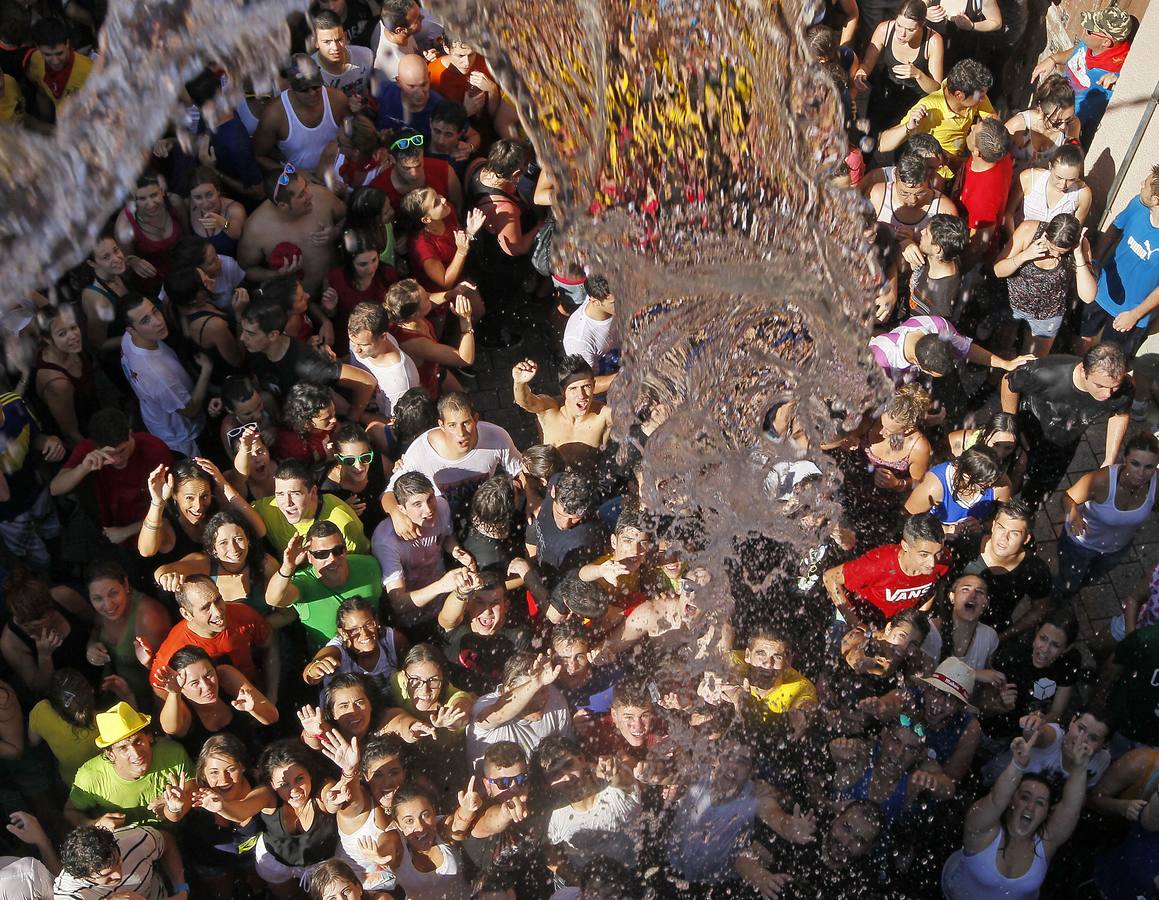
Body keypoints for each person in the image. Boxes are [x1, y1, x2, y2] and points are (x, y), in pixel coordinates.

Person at [941, 733, 1091, 898]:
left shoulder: (1047, 842)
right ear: (1012, 801)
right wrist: (1018, 765)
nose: (1031, 807)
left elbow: (1071, 808)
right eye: (1025, 797)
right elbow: (996, 800)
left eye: (1040, 803)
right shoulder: (983, 830)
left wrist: (1080, 768)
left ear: (1047, 813)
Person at [1001, 343, 1133, 510]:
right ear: (1084, 371)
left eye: (1114, 387)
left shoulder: (1124, 389)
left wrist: (1109, 459)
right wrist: (1010, 425)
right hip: (1027, 431)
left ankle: (1027, 511)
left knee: (1039, 490)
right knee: (1011, 476)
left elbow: (1120, 414)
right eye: (1100, 386)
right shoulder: (1046, 373)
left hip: (1063, 444)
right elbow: (1008, 383)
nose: (1107, 395)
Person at [384, 391, 523, 526]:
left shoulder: (496, 437)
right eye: (452, 425)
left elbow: (521, 472)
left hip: (487, 517)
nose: (461, 433)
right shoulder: (419, 452)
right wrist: (397, 515)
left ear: (475, 419)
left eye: (466, 423)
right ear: (441, 425)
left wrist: (530, 498)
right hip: (441, 523)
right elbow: (388, 494)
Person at [1056, 432, 1159, 597]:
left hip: (1116, 551)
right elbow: (1067, 498)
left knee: (1090, 579)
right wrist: (1073, 513)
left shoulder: (1156, 484)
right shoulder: (1100, 481)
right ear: (1125, 460)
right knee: (1066, 584)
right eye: (1135, 464)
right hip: (1080, 546)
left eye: (1149, 467)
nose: (1141, 473)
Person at [64, 701, 192, 829]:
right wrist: (95, 824)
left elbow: (193, 788)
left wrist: (172, 807)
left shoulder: (174, 754)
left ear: (149, 737)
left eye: (138, 741)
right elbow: (71, 812)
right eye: (123, 748)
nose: (135, 753)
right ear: (110, 754)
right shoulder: (90, 776)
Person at [237, 298, 376, 415]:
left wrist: (354, 418)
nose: (242, 338)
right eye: (243, 331)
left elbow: (366, 382)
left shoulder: (307, 364)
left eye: (250, 334)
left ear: (273, 335)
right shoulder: (255, 350)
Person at [373, 470, 473, 632]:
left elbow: (445, 536)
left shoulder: (441, 506)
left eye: (430, 499)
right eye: (417, 504)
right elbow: (399, 603)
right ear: (401, 509)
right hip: (411, 622)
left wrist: (455, 550)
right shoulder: (386, 540)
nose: (428, 510)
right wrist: (442, 585)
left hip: (444, 606)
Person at [153, 509, 295, 621]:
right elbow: (163, 570)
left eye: (238, 539)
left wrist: (259, 629)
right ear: (213, 548)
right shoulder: (203, 563)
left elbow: (288, 614)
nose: (233, 549)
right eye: (223, 543)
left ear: (248, 540)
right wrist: (165, 577)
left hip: (261, 638)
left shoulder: (265, 564)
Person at [119, 293, 211, 457]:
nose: (158, 321)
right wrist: (206, 370)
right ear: (131, 330)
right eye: (145, 321)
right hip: (184, 436)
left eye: (155, 311)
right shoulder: (158, 375)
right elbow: (191, 410)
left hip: (156, 420)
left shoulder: (128, 340)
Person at [536, 736, 643, 878]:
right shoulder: (554, 816)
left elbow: (623, 780)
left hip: (636, 873)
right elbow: (550, 855)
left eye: (568, 765)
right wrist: (578, 883)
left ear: (581, 759)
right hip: (590, 887)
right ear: (547, 785)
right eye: (556, 775)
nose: (568, 778)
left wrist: (612, 769)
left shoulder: (614, 790)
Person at [823, 512, 949, 632]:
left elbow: (933, 587)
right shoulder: (878, 565)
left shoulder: (943, 560)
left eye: (938, 553)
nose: (932, 563)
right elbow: (830, 577)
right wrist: (855, 624)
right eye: (923, 555)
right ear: (905, 546)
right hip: (858, 616)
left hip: (896, 626)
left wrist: (920, 619)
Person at [1081, 165, 1159, 358]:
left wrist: (1135, 315)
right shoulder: (1137, 205)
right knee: (1083, 339)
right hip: (1101, 290)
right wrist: (1095, 262)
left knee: (1108, 360)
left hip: (1131, 314)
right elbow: (1114, 229)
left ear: (1157, 200)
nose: (1141, 184)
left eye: (1146, 184)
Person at [994, 211, 1097, 357]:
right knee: (1001, 347)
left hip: (1048, 314)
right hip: (1013, 303)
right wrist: (1025, 255)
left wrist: (1079, 256)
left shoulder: (1081, 246)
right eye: (1052, 248)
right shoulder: (1028, 230)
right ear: (1046, 234)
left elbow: (1088, 296)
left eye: (1062, 252)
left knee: (1033, 363)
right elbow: (998, 270)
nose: (1055, 255)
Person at [236, 163, 347, 296]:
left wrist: (337, 231)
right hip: (303, 302)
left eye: (306, 186)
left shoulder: (321, 195)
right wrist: (277, 275)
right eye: (301, 195)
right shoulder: (255, 230)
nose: (310, 195)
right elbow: (246, 270)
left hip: (340, 286)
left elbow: (348, 215)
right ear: (283, 205)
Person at [1029, 2, 1134, 141]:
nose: (1085, 30)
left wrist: (1117, 82)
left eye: (1090, 31)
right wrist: (1053, 59)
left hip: (1066, 126)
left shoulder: (1116, 71)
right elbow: (1076, 52)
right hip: (1055, 104)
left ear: (1106, 42)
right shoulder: (1092, 45)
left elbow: (1128, 92)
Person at [148, 575, 274, 689]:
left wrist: (272, 694)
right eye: (205, 608)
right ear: (186, 614)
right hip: (211, 708)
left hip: (254, 692)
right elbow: (159, 690)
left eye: (218, 600)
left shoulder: (241, 614)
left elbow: (270, 646)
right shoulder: (173, 651)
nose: (218, 612)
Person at [951, 500, 1052, 640]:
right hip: (952, 622)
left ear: (1026, 538)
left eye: (1014, 533)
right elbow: (943, 582)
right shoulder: (966, 546)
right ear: (993, 526)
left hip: (993, 630)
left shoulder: (1035, 570)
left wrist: (1003, 637)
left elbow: (1040, 608)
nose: (1004, 538)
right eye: (1001, 528)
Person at [152, 645, 279, 756]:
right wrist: (174, 693)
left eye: (209, 675)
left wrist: (253, 709)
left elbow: (272, 716)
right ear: (182, 689)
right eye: (195, 683)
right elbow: (170, 728)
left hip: (251, 757)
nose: (207, 686)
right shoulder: (183, 709)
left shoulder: (225, 676)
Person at [253, 739, 342, 896]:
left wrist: (347, 776)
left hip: (321, 866)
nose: (294, 789)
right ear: (271, 783)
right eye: (284, 784)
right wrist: (221, 806)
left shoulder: (323, 787)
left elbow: (330, 800)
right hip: (275, 863)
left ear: (310, 773)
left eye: (299, 779)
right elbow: (241, 808)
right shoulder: (267, 796)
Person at [280, 520, 384, 652]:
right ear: (309, 557)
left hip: (376, 649)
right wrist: (287, 568)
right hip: (330, 661)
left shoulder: (370, 565)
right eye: (321, 554)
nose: (332, 559)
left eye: (337, 550)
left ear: (345, 550)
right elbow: (274, 599)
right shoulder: (302, 582)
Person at [981, 608, 1083, 740]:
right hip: (996, 731)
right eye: (1043, 638)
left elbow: (1057, 712)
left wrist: (1040, 722)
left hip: (1030, 735)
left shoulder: (1070, 661)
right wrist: (998, 703)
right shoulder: (1010, 656)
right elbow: (982, 705)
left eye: (1055, 645)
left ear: (1067, 648)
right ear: (1036, 632)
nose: (1045, 649)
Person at [877, 58, 996, 166]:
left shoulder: (977, 96)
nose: (983, 99)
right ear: (959, 95)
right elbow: (883, 144)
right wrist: (909, 126)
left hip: (960, 165)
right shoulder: (929, 107)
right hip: (935, 173)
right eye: (980, 96)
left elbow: (993, 121)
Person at [84, 561, 171, 706]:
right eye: (97, 598)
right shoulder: (102, 613)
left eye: (113, 594)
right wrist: (91, 646)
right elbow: (96, 629)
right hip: (114, 696)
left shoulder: (149, 617)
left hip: (147, 702)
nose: (108, 606)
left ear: (125, 584)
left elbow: (166, 675)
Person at [466, 652, 573, 769]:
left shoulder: (554, 696)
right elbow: (498, 713)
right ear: (508, 689)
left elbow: (568, 752)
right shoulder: (484, 705)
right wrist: (534, 685)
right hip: (500, 785)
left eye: (543, 690)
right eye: (533, 693)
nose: (541, 698)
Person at [853, 0, 945, 138]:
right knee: (871, 135)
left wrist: (918, 74)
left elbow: (936, 89)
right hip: (888, 88)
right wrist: (861, 73)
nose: (902, 34)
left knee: (905, 143)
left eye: (910, 30)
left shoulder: (933, 41)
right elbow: (867, 64)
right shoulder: (884, 29)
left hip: (915, 99)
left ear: (922, 25)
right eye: (899, 25)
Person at [438, 566, 532, 694]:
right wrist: (463, 592)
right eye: (479, 602)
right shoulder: (458, 628)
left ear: (506, 606)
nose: (487, 611)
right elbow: (446, 619)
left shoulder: (517, 637)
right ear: (468, 605)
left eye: (494, 603)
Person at [0, 390, 65, 570]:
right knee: (33, 556)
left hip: (35, 488)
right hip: (8, 514)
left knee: (52, 530)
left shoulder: (14, 405)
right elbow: (3, 495)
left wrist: (50, 442)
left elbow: (35, 437)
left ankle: (61, 569)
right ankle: (44, 580)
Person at [254, 54, 350, 174]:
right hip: (302, 181)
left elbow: (354, 136)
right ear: (291, 87)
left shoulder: (337, 99)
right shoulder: (275, 114)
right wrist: (295, 174)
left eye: (316, 87)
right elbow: (259, 155)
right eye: (304, 90)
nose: (312, 94)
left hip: (338, 169)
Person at [383, 278, 477, 396]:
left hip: (435, 371)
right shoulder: (415, 343)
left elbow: (430, 301)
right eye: (426, 297)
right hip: (427, 390)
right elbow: (465, 359)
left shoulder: (406, 316)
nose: (430, 295)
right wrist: (465, 321)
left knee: (463, 397)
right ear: (415, 314)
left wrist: (453, 292)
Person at [255, 459, 370, 555]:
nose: (287, 502)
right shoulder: (270, 508)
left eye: (295, 493)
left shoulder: (342, 521)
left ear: (313, 492)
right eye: (280, 494)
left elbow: (361, 563)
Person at [512, 357, 613, 466]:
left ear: (593, 385)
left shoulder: (604, 415)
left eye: (586, 386)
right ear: (562, 391)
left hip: (589, 480)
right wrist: (519, 383)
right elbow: (526, 402)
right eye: (573, 389)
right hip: (553, 480)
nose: (581, 395)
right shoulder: (549, 409)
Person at [54, 822, 189, 900]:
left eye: (118, 861)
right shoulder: (69, 894)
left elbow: (167, 844)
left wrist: (181, 889)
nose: (118, 875)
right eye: (106, 875)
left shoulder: (134, 840)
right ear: (83, 876)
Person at [304, 596, 405, 695]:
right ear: (343, 633)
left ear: (376, 621)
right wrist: (315, 670)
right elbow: (310, 675)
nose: (364, 634)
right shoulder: (338, 650)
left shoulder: (391, 639)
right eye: (354, 630)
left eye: (368, 624)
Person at [905, 446, 1010, 538]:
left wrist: (983, 526)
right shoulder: (934, 486)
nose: (992, 484)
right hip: (936, 535)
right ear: (966, 476)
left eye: (995, 479)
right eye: (986, 482)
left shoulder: (1000, 483)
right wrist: (943, 530)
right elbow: (909, 519)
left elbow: (1006, 520)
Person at [32, 302, 97, 447]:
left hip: (92, 415)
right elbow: (71, 434)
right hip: (84, 436)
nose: (74, 336)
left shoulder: (70, 348)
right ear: (48, 339)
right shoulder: (57, 384)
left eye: (73, 327)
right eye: (62, 333)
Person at [347, 301, 422, 422]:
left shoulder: (399, 382)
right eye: (353, 341)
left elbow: (394, 422)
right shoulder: (359, 338)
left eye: (364, 345)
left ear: (383, 337)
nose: (356, 349)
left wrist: (359, 416)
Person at [401, 186, 485, 292]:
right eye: (436, 203)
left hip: (465, 272)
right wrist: (461, 252)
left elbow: (460, 241)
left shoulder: (447, 212)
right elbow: (445, 283)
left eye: (438, 195)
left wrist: (469, 232)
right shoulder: (423, 246)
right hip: (444, 294)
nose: (443, 199)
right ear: (426, 219)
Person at [114, 174, 186, 297]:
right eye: (142, 199)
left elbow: (188, 236)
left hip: (185, 275)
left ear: (162, 191)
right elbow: (124, 267)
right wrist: (133, 261)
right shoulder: (125, 225)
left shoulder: (175, 203)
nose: (151, 204)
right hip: (155, 289)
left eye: (154, 195)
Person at [1005, 145, 1093, 231]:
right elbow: (1008, 213)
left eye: (1071, 180)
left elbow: (1075, 231)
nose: (1063, 185)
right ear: (1050, 167)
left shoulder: (1082, 194)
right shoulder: (1029, 178)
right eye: (1058, 177)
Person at [1004, 74, 1081, 172]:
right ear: (1040, 109)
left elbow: (1075, 163)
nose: (1063, 126)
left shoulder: (1073, 125)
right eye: (1056, 122)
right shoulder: (1017, 126)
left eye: (1068, 119)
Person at [24, 17, 90, 120]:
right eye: (48, 54)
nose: (55, 61)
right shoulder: (36, 60)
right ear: (37, 47)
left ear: (67, 43)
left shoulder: (89, 71)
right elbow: (42, 92)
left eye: (59, 53)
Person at [375, 54, 444, 143]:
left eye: (423, 84)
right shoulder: (383, 91)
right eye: (412, 86)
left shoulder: (440, 108)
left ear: (429, 77)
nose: (419, 93)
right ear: (399, 82)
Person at [312, 10, 374, 104]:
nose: (335, 47)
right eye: (327, 42)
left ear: (345, 37)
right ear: (316, 42)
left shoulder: (366, 56)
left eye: (339, 40)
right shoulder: (310, 73)